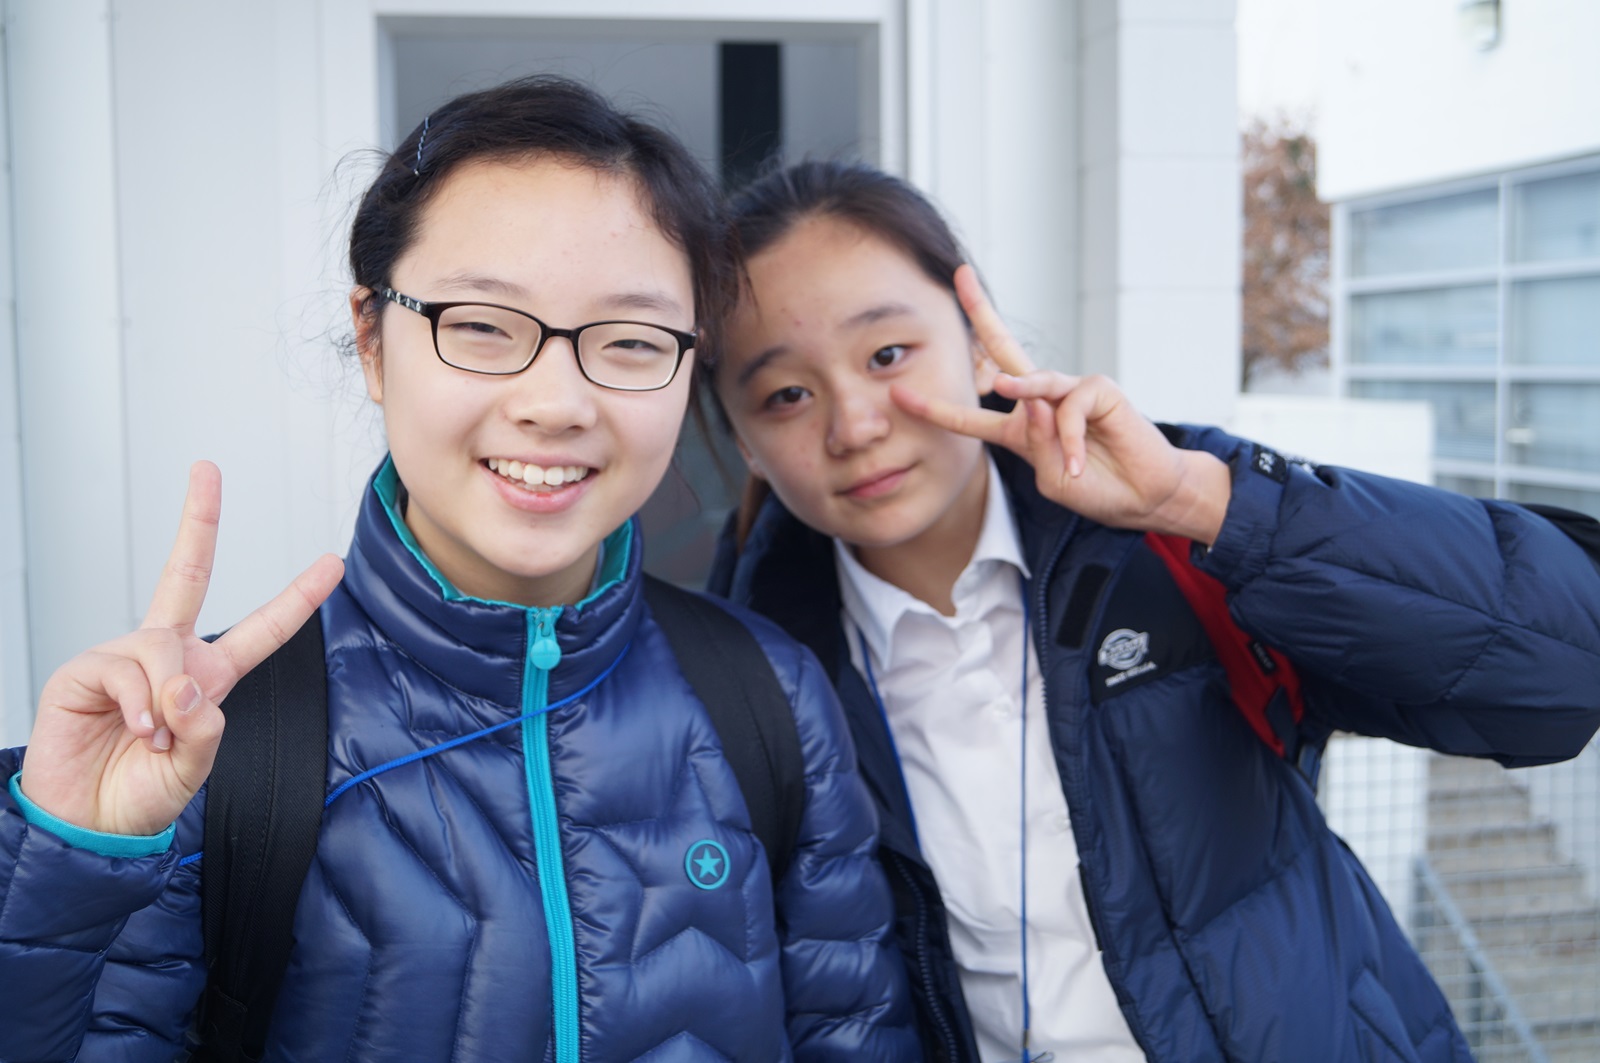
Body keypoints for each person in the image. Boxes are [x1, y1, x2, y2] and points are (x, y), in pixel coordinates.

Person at [0, 82, 921, 1062]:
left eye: (631, 341)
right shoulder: (208, 735)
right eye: (482, 325)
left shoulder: (770, 695)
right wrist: (73, 863)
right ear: (372, 340)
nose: (555, 403)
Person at [704, 159, 1600, 1062]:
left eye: (888, 354)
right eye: (787, 395)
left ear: (978, 343)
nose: (854, 424)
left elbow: (1563, 670)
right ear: (745, 438)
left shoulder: (1177, 533)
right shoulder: (735, 683)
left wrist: (1200, 504)